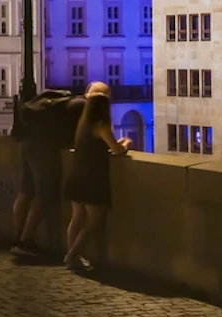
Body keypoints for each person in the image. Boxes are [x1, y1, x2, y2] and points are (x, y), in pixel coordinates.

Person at [63, 82, 131, 272]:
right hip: (91, 177)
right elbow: (117, 151)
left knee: (76, 219)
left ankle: (71, 254)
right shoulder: (101, 125)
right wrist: (125, 144)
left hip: (76, 174)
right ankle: (72, 255)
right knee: (94, 221)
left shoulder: (83, 124)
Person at [10, 87, 83, 257]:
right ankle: (25, 241)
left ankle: (16, 239)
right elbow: (82, 135)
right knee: (45, 194)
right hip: (44, 149)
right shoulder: (84, 106)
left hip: (28, 144)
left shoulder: (63, 101)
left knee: (25, 192)